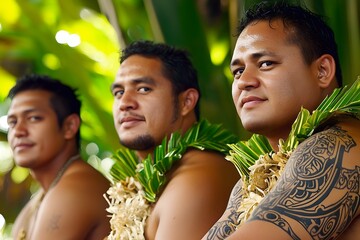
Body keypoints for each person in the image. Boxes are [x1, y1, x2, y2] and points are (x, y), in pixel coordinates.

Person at [203, 2, 360, 240]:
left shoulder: (340, 144)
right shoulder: (254, 179)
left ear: (322, 71)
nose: (244, 81)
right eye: (237, 71)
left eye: (266, 63)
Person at [107, 40, 239, 239]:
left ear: (186, 102)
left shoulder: (198, 177)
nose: (124, 103)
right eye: (118, 92)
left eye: (143, 89)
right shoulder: (151, 178)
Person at [7, 74, 111, 239]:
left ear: (70, 126)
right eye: (12, 122)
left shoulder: (77, 188)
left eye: (33, 118)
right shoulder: (42, 196)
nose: (18, 131)